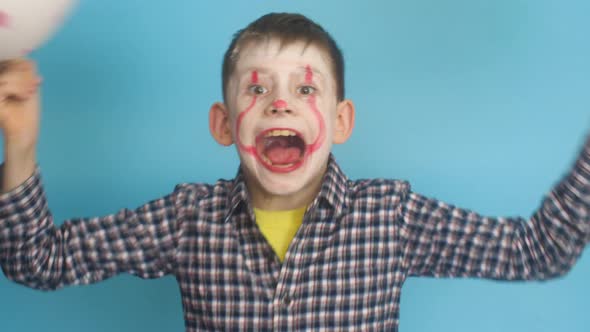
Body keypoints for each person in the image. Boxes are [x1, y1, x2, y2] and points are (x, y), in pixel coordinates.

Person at [0, 13, 588, 331]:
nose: (281, 103)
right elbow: (39, 261)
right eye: (258, 89)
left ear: (340, 118)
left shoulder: (393, 217)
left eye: (304, 88)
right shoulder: (188, 219)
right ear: (224, 124)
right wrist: (20, 147)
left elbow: (535, 251)